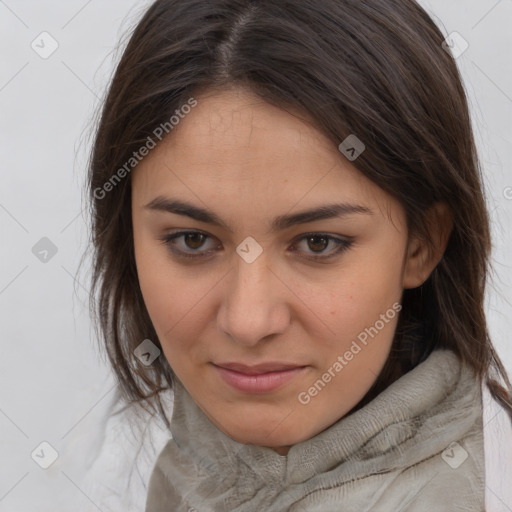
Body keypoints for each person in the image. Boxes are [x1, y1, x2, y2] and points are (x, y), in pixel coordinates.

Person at [78, 0, 512, 510]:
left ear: (421, 244)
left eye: (318, 243)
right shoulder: (178, 469)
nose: (248, 320)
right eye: (192, 240)